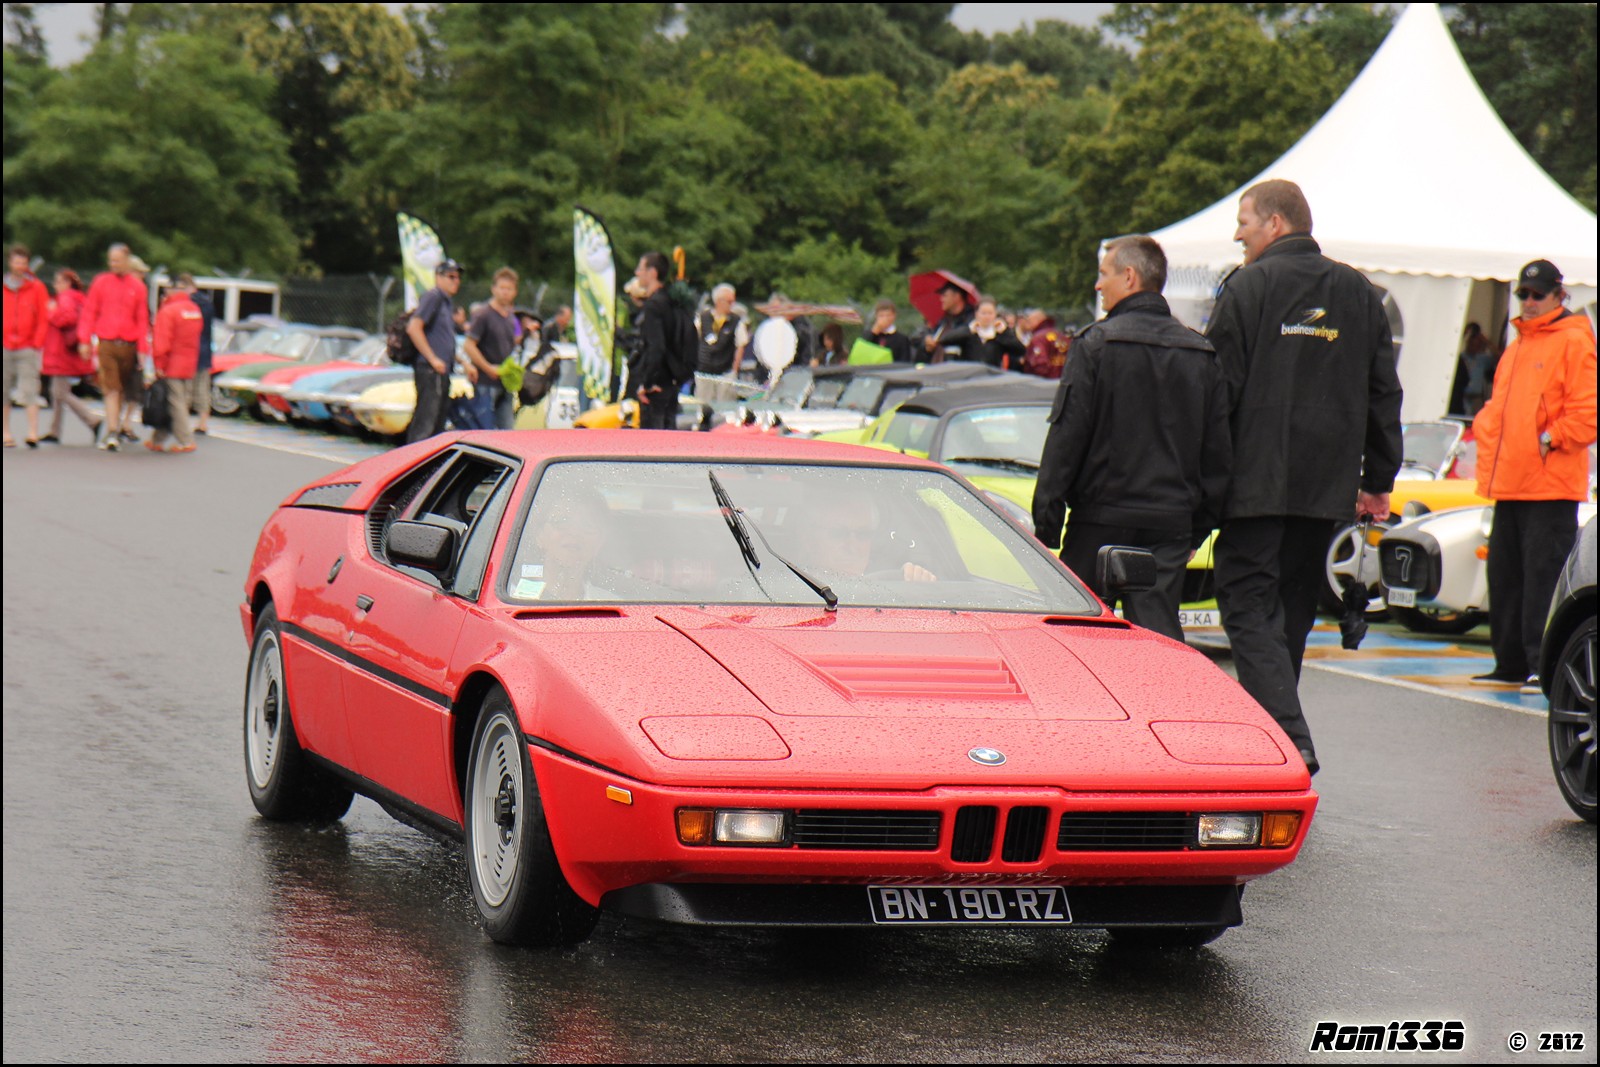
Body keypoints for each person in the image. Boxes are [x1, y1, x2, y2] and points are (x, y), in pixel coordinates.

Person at [1204, 179, 1403, 777]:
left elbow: (1219, 391)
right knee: (1289, 610)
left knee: (1243, 601)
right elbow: (1383, 393)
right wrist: (1378, 476)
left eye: (1244, 220)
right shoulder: (1361, 294)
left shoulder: (1249, 286)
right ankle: (1275, 743)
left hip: (1254, 483)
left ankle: (1290, 738)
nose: (1237, 233)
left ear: (1276, 223)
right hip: (1324, 488)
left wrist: (1206, 477)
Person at [1033, 236, 1230, 643]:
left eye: (1103, 274)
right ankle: (1162, 706)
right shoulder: (1200, 352)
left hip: (1100, 520)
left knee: (1080, 637)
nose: (1097, 285)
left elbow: (1066, 439)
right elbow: (1217, 455)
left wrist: (1047, 525)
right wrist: (1196, 531)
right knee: (1157, 641)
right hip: (1169, 524)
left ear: (1129, 276)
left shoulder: (1095, 345)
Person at [1469, 260, 1597, 692]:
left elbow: (1588, 409)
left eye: (1536, 294)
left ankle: (1541, 665)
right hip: (1510, 480)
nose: (1527, 301)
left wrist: (1552, 439)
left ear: (1560, 296)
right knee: (1505, 578)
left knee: (1542, 579)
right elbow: (1502, 410)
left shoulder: (1575, 340)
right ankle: (1508, 663)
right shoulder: (1518, 343)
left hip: (1549, 483)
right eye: (1522, 294)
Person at [78, 243, 150, 451]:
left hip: (129, 345)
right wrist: (84, 340)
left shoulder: (137, 287)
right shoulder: (101, 282)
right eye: (111, 260)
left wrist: (143, 350)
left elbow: (142, 320)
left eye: (117, 260)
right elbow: (90, 312)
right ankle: (112, 430)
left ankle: (115, 428)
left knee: (123, 389)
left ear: (127, 260)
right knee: (111, 388)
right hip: (107, 343)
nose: (114, 264)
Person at [404, 258, 463, 443]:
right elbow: (414, 327)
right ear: (438, 277)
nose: (455, 281)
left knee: (437, 425)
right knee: (425, 424)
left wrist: (463, 363)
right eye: (450, 276)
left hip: (442, 371)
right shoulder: (434, 296)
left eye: (458, 277)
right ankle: (413, 464)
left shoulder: (446, 303)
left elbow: (445, 340)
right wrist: (432, 359)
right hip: (431, 371)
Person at [40, 268, 101, 444]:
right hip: (69, 350)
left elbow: (66, 318)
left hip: (60, 350)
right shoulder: (79, 298)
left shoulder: (66, 298)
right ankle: (54, 430)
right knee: (57, 391)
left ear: (66, 283)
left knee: (60, 393)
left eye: (58, 282)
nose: (55, 285)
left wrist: (50, 312)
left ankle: (92, 419)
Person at [146, 281, 205, 453]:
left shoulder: (168, 311)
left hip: (173, 364)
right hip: (189, 362)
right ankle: (158, 439)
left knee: (174, 403)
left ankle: (186, 440)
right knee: (177, 401)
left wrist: (159, 365)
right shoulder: (194, 310)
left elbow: (162, 342)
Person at [3, 244, 49, 448]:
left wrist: (37, 343)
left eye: (23, 262)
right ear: (10, 263)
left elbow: (43, 317)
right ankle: (5, 432)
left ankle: (32, 432)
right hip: (5, 344)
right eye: (16, 262)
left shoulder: (36, 287)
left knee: (30, 389)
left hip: (27, 345)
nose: (20, 266)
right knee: (4, 390)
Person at [462, 267, 521, 430]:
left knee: (507, 430)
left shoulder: (510, 317)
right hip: (485, 382)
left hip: (504, 382)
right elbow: (469, 345)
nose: (505, 292)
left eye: (509, 289)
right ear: (493, 288)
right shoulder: (483, 314)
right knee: (483, 429)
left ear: (515, 292)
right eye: (502, 288)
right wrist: (487, 368)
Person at [632, 251, 679, 430]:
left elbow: (656, 347)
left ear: (652, 272)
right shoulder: (672, 302)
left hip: (656, 388)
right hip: (670, 383)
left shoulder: (653, 306)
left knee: (651, 443)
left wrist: (648, 383)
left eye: (640, 268)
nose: (637, 273)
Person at [694, 283, 748, 403]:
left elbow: (741, 345)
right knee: (702, 404)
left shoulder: (736, 321)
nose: (732, 305)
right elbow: (693, 340)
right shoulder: (702, 318)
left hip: (725, 372)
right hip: (704, 372)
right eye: (729, 301)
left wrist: (734, 370)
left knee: (725, 406)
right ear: (719, 301)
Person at [180, 275, 216, 435]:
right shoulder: (207, 302)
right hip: (205, 350)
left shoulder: (187, 305)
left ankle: (183, 422)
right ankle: (202, 423)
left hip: (189, 350)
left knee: (186, 388)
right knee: (203, 387)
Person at [922, 282, 976, 363]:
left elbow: (962, 334)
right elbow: (920, 335)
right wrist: (927, 339)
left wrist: (938, 340)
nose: (941, 299)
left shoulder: (972, 319)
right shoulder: (944, 320)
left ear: (957, 297)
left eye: (945, 296)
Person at [968, 297, 1026, 369]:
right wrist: (968, 331)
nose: (987, 316)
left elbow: (1020, 350)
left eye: (990, 313)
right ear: (976, 314)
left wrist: (1004, 332)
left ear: (995, 314)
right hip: (971, 374)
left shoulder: (999, 334)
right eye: (983, 313)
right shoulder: (969, 331)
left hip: (993, 375)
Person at [1018, 308, 1069, 379]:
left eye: (1029, 321)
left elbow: (1039, 364)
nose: (1028, 325)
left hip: (1044, 384)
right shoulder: (1062, 336)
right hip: (1063, 381)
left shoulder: (1039, 338)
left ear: (1036, 320)